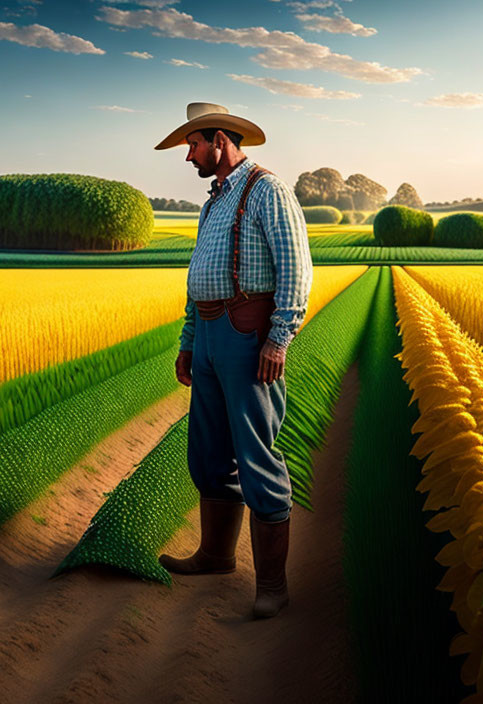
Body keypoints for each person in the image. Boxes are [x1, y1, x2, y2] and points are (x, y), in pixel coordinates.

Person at [154, 103, 312, 619]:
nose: (189, 157)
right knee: (207, 453)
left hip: (249, 335)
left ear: (219, 140)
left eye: (192, 146)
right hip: (209, 335)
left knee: (257, 456)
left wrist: (278, 339)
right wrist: (188, 339)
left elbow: (296, 269)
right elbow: (197, 277)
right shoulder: (212, 204)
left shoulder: (267, 190)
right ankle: (216, 556)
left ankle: (273, 585)